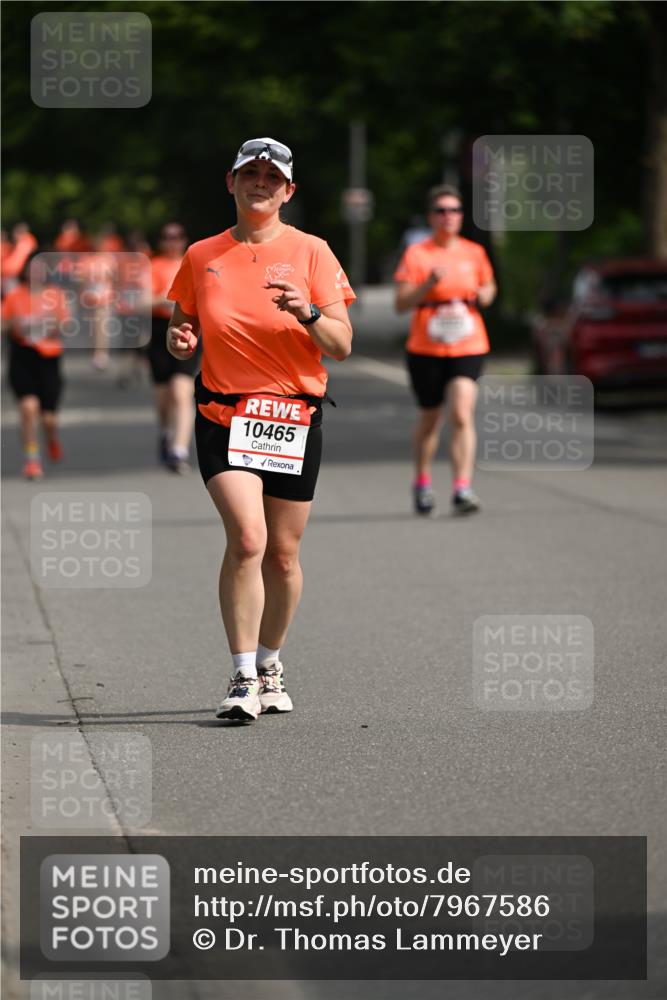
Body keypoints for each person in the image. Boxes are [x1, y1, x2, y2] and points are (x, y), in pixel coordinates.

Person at [166, 138, 354, 720]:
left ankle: (271, 661)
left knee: (284, 557)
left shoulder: (313, 252)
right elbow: (181, 328)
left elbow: (342, 346)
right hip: (224, 416)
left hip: (292, 418)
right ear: (231, 182)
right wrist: (181, 342)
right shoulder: (202, 255)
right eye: (251, 173)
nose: (261, 183)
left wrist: (309, 312)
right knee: (249, 539)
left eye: (273, 177)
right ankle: (243, 675)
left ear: (289, 190)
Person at [394, 184, 496, 515]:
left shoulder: (473, 252)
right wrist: (428, 284)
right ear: (431, 217)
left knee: (462, 413)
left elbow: (490, 285)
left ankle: (462, 488)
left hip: (469, 343)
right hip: (426, 347)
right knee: (430, 418)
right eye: (441, 211)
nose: (448, 216)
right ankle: (422, 482)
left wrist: (486, 295)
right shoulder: (418, 254)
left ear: (461, 216)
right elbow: (400, 304)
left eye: (454, 210)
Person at [2, 251, 68, 479]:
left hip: (48, 357)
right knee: (28, 408)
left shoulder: (56, 295)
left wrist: (49, 326)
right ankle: (32, 459)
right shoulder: (14, 295)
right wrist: (16, 326)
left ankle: (51, 438)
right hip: (23, 355)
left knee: (48, 418)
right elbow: (5, 324)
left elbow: (66, 325)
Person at [149, 223, 200, 472]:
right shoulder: (152, 266)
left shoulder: (193, 262)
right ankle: (166, 431)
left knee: (181, 390)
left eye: (177, 236)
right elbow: (140, 300)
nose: (172, 241)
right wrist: (169, 299)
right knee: (163, 395)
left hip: (189, 328)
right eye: (167, 237)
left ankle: (179, 450)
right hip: (158, 329)